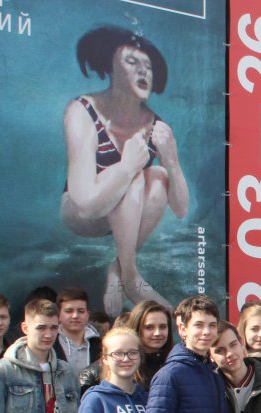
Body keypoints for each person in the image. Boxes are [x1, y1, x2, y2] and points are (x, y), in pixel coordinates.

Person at [61, 26, 189, 317]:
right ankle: (130, 276)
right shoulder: (83, 110)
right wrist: (128, 166)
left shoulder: (156, 125)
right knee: (135, 177)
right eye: (132, 62)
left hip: (129, 216)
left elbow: (181, 209)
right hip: (85, 213)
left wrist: (171, 161)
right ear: (110, 67)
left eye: (148, 66)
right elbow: (84, 204)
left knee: (158, 176)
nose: (143, 71)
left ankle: (119, 269)